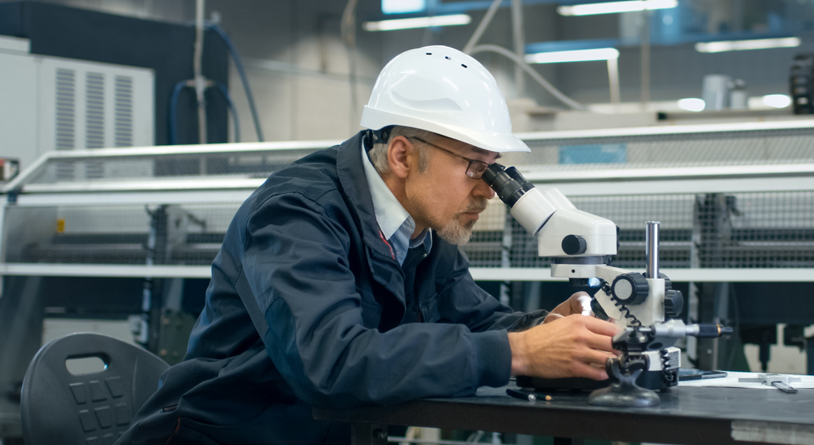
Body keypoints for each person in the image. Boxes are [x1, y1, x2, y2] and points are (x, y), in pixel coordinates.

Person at [117, 45, 618, 445]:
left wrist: (550, 331)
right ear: (402, 155)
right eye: (474, 166)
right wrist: (518, 354)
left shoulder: (423, 229)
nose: (488, 188)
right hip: (224, 435)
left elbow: (477, 320)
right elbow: (331, 363)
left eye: (493, 168)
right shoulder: (296, 213)